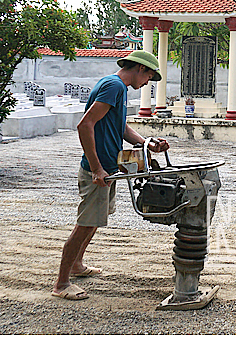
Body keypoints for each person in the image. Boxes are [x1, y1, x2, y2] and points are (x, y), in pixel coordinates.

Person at [52, 50, 170, 300]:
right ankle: (61, 284)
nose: (148, 82)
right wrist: (96, 168)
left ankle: (76, 265)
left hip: (108, 168)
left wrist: (145, 143)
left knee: (95, 219)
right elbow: (85, 125)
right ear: (140, 69)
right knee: (84, 225)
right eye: (149, 76)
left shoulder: (117, 87)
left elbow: (120, 126)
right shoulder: (114, 86)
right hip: (99, 170)